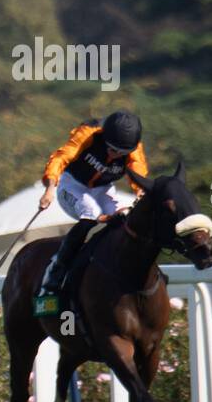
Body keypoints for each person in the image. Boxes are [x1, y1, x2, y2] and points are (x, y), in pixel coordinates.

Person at [34, 110, 148, 315]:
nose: (114, 155)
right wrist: (50, 188)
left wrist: (140, 193)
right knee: (91, 214)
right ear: (104, 137)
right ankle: (54, 276)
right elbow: (61, 157)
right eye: (111, 149)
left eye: (121, 153)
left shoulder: (133, 148)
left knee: (123, 218)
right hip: (72, 185)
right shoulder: (89, 133)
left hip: (102, 188)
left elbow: (139, 173)